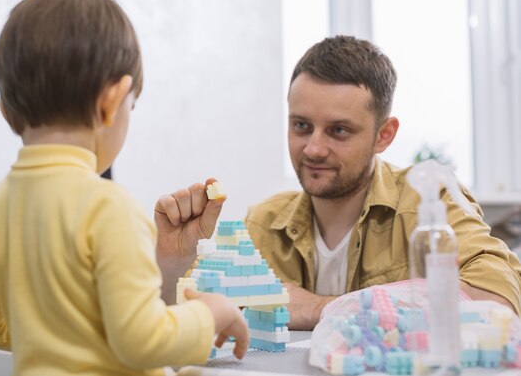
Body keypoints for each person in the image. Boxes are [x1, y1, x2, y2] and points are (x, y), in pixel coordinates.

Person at [0, 0, 248, 376]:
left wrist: (54, 335)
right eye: (132, 106)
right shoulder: (110, 207)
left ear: (6, 113)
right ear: (112, 101)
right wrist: (208, 314)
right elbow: (142, 340)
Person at [156, 35, 521, 330]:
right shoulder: (264, 222)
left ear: (384, 135)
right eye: (301, 126)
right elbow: (193, 322)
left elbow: (498, 302)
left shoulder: (429, 203)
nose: (314, 148)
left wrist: (320, 309)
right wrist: (173, 263)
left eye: (339, 130)